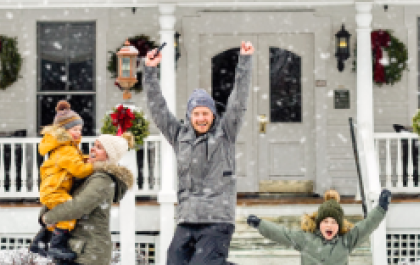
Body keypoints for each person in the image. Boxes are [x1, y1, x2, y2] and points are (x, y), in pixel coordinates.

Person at [142, 41, 254, 265]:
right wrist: (149, 71)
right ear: (190, 116)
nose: (201, 118)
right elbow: (158, 109)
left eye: (206, 113)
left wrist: (245, 62)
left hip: (217, 219)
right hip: (187, 219)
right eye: (197, 113)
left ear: (213, 115)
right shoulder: (179, 136)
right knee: (173, 261)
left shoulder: (225, 134)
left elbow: (238, 101)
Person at [40, 134, 137, 265]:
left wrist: (49, 217)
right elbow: (62, 195)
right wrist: (45, 212)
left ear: (109, 156)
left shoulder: (102, 180)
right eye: (94, 145)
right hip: (77, 248)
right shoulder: (87, 175)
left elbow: (79, 206)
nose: (92, 149)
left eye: (99, 147)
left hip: (90, 252)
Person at [244, 190, 392, 265]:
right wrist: (260, 224)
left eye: (334, 222)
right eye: (326, 221)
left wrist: (381, 208)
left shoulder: (346, 241)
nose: (329, 225)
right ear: (318, 223)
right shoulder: (305, 239)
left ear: (339, 226)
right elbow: (282, 234)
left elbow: (366, 226)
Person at [31, 100, 94, 261]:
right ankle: (56, 247)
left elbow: (77, 162)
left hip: (52, 189)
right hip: (54, 191)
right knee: (69, 211)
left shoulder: (66, 147)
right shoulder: (66, 149)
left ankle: (40, 242)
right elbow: (79, 170)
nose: (78, 132)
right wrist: (96, 166)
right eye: (74, 129)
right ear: (64, 131)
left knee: (58, 217)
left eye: (80, 129)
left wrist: (87, 159)